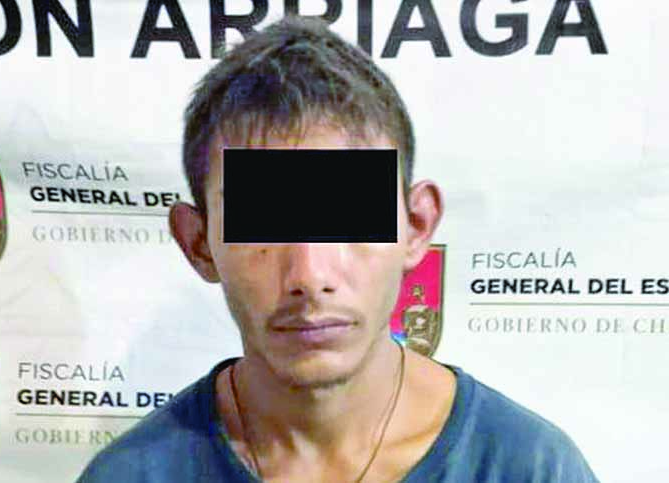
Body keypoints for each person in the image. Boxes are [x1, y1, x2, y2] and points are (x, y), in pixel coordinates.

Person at [77, 16, 598, 483]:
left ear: (416, 227)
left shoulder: (529, 468)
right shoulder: (134, 475)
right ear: (199, 244)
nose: (310, 275)